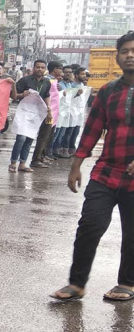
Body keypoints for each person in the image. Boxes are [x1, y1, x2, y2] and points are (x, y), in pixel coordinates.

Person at [51, 31, 134, 303]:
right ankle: (76, 284)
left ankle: (127, 283)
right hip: (107, 171)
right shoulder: (109, 91)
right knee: (90, 224)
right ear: (118, 56)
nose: (130, 55)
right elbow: (93, 129)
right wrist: (76, 165)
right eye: (125, 51)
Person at [9, 60, 51, 173]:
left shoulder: (47, 82)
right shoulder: (25, 80)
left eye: (42, 67)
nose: (40, 69)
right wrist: (22, 94)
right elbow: (13, 95)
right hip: (24, 112)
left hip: (37, 113)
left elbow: (47, 95)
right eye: (38, 67)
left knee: (29, 138)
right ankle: (13, 162)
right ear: (33, 68)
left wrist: (49, 108)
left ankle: (23, 163)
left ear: (45, 69)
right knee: (21, 138)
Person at [30, 60, 63, 167]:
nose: (61, 71)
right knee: (43, 136)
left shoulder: (54, 81)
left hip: (53, 112)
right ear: (54, 69)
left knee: (48, 136)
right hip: (47, 111)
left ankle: (42, 156)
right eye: (60, 69)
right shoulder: (47, 80)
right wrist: (48, 110)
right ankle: (36, 159)